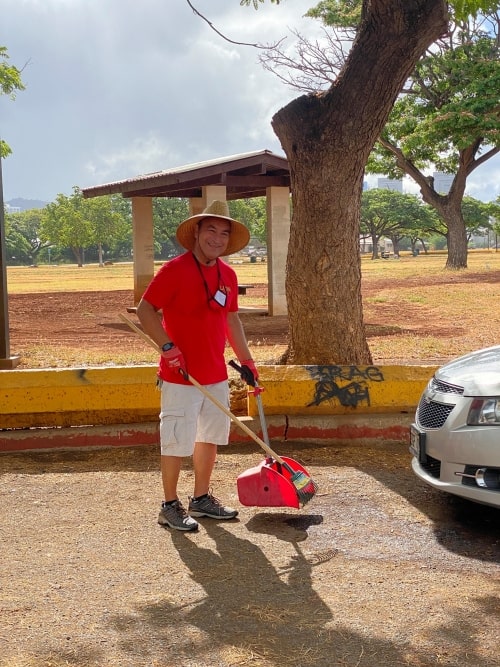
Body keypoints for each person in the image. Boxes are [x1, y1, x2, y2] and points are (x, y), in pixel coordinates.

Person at [136, 200, 259, 532]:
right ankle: (169, 505)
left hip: (215, 374)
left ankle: (201, 499)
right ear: (197, 234)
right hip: (179, 376)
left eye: (223, 233)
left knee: (209, 438)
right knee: (176, 440)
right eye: (211, 230)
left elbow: (231, 318)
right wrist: (166, 346)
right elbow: (145, 310)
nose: (217, 238)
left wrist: (246, 360)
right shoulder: (175, 270)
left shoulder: (228, 275)